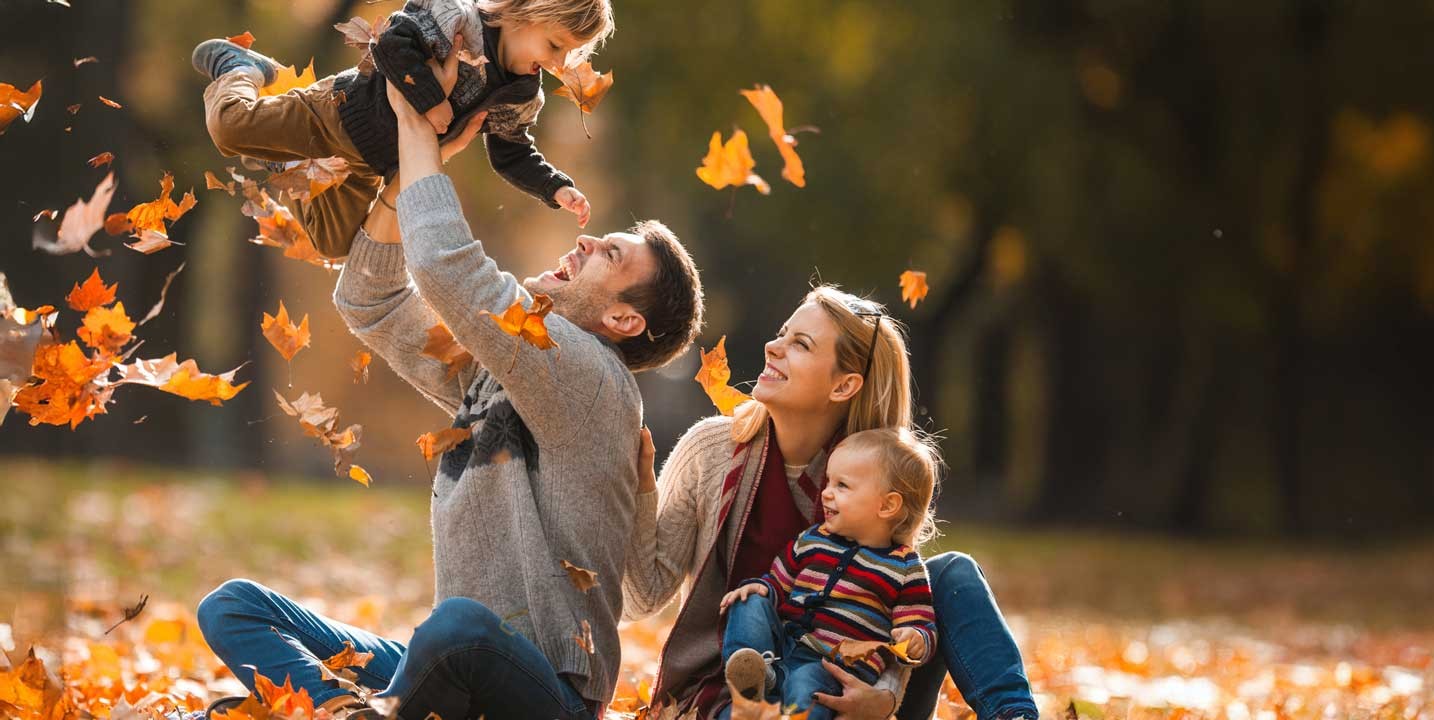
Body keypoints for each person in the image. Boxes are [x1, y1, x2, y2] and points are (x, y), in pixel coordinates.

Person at [194, 47, 704, 720]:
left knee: (457, 626)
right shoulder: (505, 374)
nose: (584, 245)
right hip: (454, 673)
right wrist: (404, 178)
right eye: (599, 239)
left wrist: (418, 136)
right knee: (234, 607)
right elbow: (370, 302)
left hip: (545, 695)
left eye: (609, 256)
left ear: (621, 317)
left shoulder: (589, 377)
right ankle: (345, 715)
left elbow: (445, 269)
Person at [624, 286, 1039, 720]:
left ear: (844, 385)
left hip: (854, 679)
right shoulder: (711, 450)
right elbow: (641, 598)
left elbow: (900, 598)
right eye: (782, 333)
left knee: (954, 573)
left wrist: (885, 697)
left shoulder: (872, 472)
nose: (773, 346)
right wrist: (640, 489)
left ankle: (1015, 715)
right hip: (738, 691)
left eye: (799, 344)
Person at [190, 0, 611, 258]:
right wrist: (432, 102)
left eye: (569, 55)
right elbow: (392, 42)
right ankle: (241, 68)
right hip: (336, 113)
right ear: (523, 10)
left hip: (370, 165)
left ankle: (277, 149)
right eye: (554, 46)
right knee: (228, 127)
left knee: (332, 242)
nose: (557, 64)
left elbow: (512, 153)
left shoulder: (520, 94)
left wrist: (554, 186)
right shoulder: (455, 20)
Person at [718, 427, 941, 720]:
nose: (826, 493)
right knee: (749, 599)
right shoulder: (812, 539)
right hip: (781, 652)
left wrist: (917, 637)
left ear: (887, 505)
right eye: (828, 482)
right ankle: (752, 676)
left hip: (831, 668)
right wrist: (763, 589)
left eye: (842, 486)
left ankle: (774, 710)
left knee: (805, 686)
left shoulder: (905, 567)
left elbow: (921, 623)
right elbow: (777, 583)